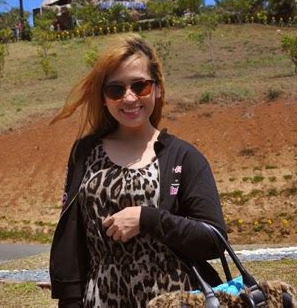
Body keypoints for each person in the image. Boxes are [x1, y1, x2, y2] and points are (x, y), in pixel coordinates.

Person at [49, 35, 226, 307]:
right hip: (101, 298)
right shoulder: (84, 154)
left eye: (140, 86)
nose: (129, 97)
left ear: (157, 89)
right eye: (116, 89)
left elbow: (213, 240)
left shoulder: (184, 157)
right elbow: (73, 242)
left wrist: (148, 218)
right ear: (104, 98)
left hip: (174, 298)